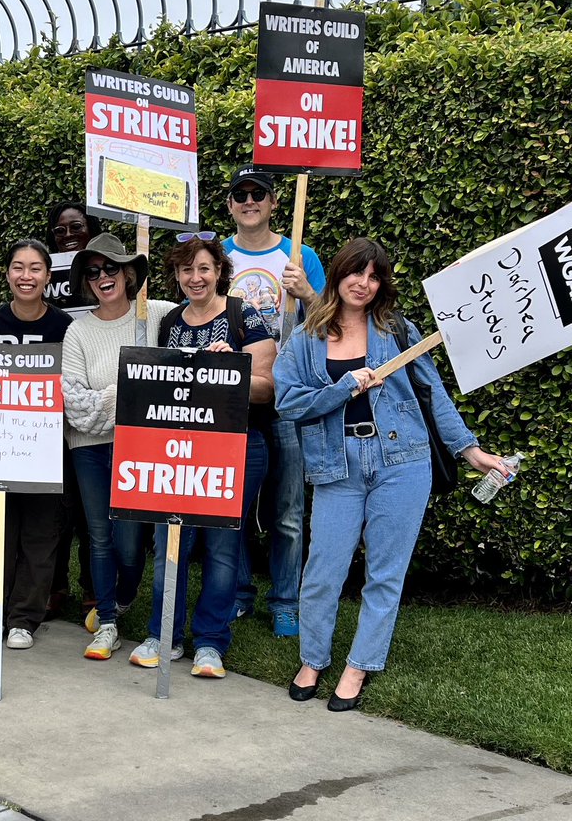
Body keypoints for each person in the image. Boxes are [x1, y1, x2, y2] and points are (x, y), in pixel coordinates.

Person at [276, 238, 508, 710]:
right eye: (355, 273)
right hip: (336, 465)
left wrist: (470, 451)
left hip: (402, 463)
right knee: (323, 571)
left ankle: (359, 665)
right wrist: (343, 387)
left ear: (382, 284)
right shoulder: (305, 339)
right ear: (338, 274)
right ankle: (313, 659)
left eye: (374, 276)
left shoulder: (398, 331)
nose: (363, 283)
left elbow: (434, 392)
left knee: (385, 573)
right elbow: (288, 403)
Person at [129, 234, 275, 678]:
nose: (196, 277)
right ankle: (164, 634)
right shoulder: (170, 321)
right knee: (169, 540)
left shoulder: (242, 314)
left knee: (223, 546)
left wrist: (232, 365)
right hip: (178, 450)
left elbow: (267, 390)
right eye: (187, 269)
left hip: (235, 447)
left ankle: (210, 642)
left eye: (205, 268)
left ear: (219, 273)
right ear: (176, 275)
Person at [223, 165, 326, 638]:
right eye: (240, 195)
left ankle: (286, 601)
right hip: (233, 397)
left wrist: (307, 292)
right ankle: (240, 593)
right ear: (230, 205)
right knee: (233, 505)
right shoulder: (218, 257)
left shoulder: (300, 255)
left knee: (287, 511)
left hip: (288, 395)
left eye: (258, 194)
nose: (249, 201)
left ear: (273, 203)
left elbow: (334, 324)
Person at [62, 233, 173, 660]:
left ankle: (124, 596)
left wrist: (111, 394)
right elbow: (77, 408)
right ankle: (106, 621)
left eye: (111, 268)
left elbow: (188, 359)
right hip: (89, 448)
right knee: (99, 536)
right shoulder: (78, 331)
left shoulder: (158, 315)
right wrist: (133, 386)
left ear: (129, 274)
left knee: (130, 541)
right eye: (93, 272)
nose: (103, 277)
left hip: (140, 445)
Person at [0, 239, 72, 649]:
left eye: (35, 269)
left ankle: (25, 620)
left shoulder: (65, 327)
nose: (26, 276)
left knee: (40, 536)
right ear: (7, 274)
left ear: (48, 276)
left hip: (47, 450)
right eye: (18, 267)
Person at [42, 200, 98, 620]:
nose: (67, 236)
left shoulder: (100, 273)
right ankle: (54, 586)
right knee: (58, 508)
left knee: (91, 511)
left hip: (92, 412)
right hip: (51, 413)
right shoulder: (46, 275)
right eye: (59, 231)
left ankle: (93, 592)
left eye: (75, 227)